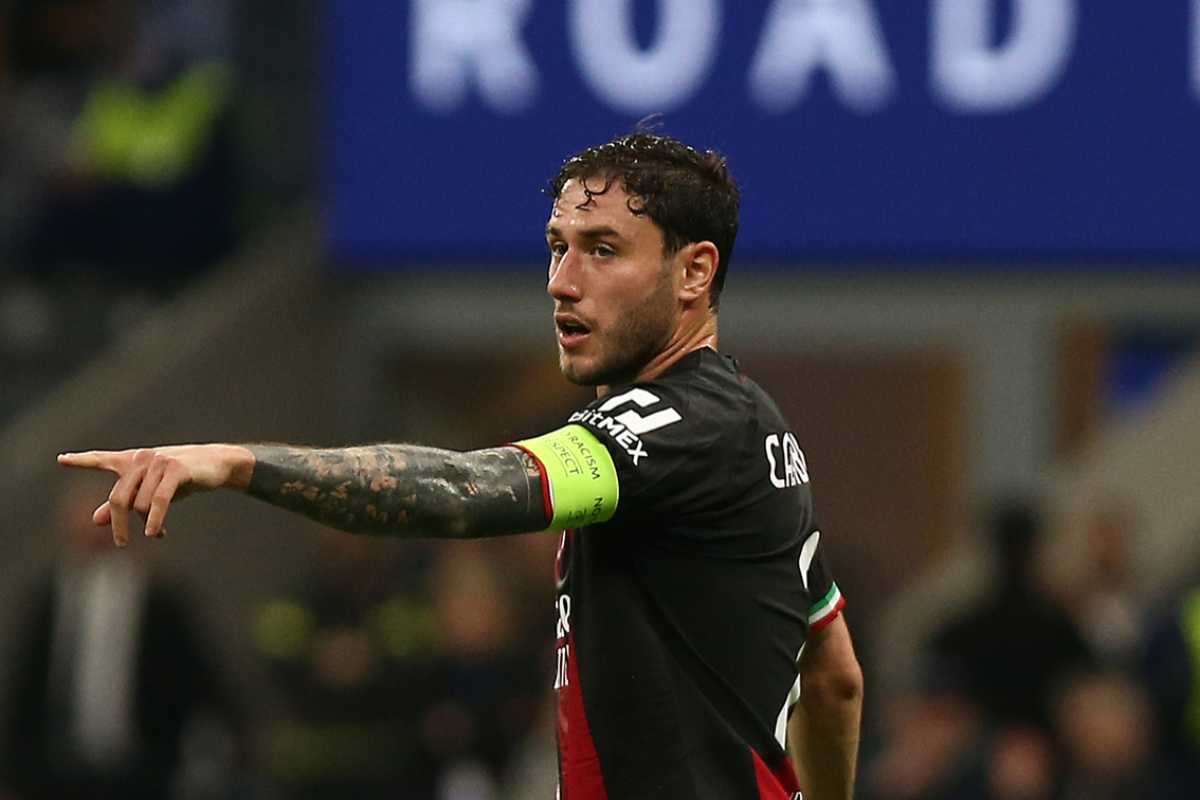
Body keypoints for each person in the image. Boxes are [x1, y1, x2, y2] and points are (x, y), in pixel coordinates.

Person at [58, 132, 863, 799]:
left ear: (694, 271)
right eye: (557, 248)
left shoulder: (678, 425)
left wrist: (237, 463)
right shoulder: (753, 431)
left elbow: (462, 491)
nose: (561, 283)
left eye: (602, 250)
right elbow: (834, 680)